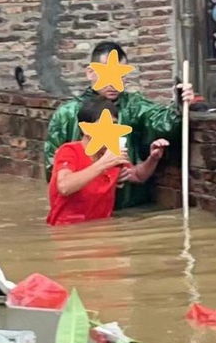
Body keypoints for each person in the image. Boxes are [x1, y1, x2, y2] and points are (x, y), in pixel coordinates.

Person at [44, 41, 194, 210]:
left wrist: (180, 105)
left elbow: (165, 124)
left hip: (129, 206)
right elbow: (54, 171)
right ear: (90, 73)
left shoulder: (134, 106)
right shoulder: (67, 114)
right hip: (83, 208)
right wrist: (100, 176)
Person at [47, 96, 170, 226]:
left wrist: (153, 158)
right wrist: (103, 164)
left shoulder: (112, 152)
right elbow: (65, 187)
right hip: (68, 230)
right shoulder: (69, 151)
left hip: (103, 228)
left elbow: (138, 176)